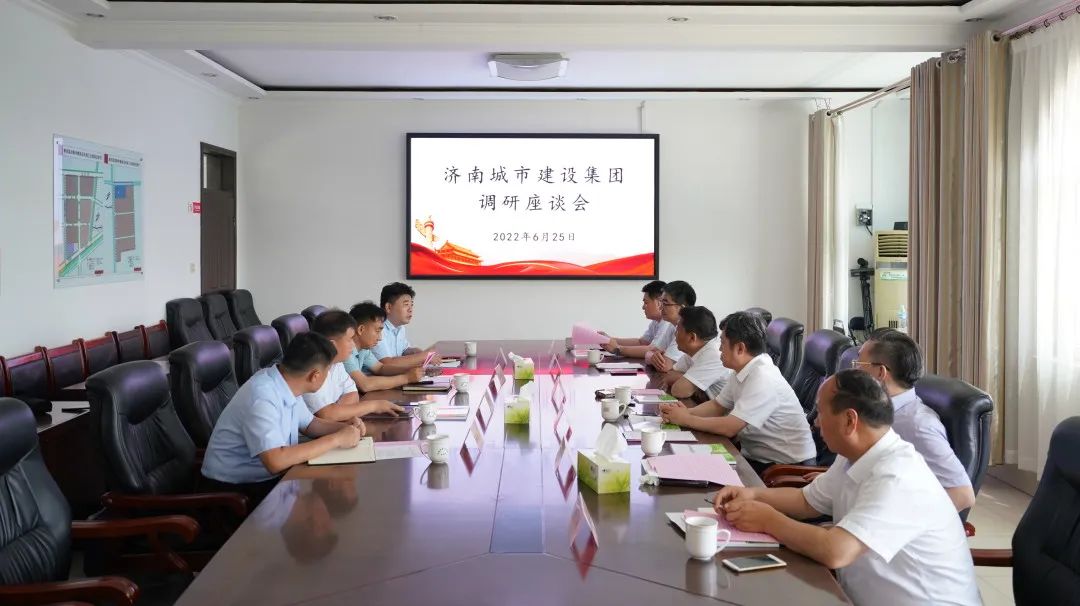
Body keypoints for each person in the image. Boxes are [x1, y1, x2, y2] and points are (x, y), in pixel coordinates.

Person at [712, 371, 981, 606]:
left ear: (850, 420)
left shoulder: (898, 476)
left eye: (821, 412)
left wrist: (768, 520)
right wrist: (753, 494)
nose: (816, 422)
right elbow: (806, 502)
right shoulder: (854, 454)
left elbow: (836, 551)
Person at [201, 332, 366, 504]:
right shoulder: (262, 396)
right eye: (328, 371)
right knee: (325, 497)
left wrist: (345, 428)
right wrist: (336, 439)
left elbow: (310, 424)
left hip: (269, 479)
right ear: (315, 375)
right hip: (234, 492)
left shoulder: (286, 381)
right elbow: (275, 461)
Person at [661, 311, 815, 474]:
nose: (719, 348)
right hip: (757, 457)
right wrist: (682, 413)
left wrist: (686, 419)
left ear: (740, 348)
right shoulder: (743, 369)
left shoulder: (762, 376)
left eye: (722, 342)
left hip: (786, 468)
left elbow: (730, 427)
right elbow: (717, 406)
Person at [848, 328, 976, 512]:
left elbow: (962, 495)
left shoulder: (917, 425)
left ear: (880, 372)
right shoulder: (878, 410)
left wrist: (894, 518)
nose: (854, 370)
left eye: (859, 363)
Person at [304, 310, 406, 420]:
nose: (353, 345)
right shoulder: (311, 369)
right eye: (349, 340)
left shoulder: (337, 364)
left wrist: (340, 413)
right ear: (332, 345)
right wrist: (374, 406)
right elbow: (327, 414)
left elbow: (352, 394)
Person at [345, 302, 427, 392]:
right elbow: (365, 385)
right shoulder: (346, 351)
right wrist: (407, 378)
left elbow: (380, 368)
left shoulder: (363, 349)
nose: (380, 338)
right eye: (377, 331)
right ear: (361, 329)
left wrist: (410, 369)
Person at [660, 306, 731, 403]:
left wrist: (688, 381)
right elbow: (669, 375)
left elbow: (679, 390)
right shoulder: (694, 350)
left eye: (678, 330)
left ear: (692, 338)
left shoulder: (713, 354)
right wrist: (692, 382)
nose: (675, 334)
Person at [370, 282, 440, 368]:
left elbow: (404, 351)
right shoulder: (377, 329)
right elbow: (386, 363)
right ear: (388, 307)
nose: (410, 309)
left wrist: (417, 352)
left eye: (411, 305)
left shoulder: (400, 327)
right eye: (406, 305)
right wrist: (424, 356)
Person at [601, 280, 667, 359]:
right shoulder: (656, 322)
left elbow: (652, 350)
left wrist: (618, 349)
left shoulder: (667, 323)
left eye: (646, 303)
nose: (643, 307)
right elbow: (642, 342)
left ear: (659, 303)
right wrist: (609, 339)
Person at [645, 280, 696, 372]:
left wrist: (653, 356)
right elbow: (652, 351)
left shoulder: (688, 330)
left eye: (665, 303)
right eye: (661, 302)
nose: (660, 307)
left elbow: (664, 366)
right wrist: (652, 356)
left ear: (682, 308)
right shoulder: (672, 326)